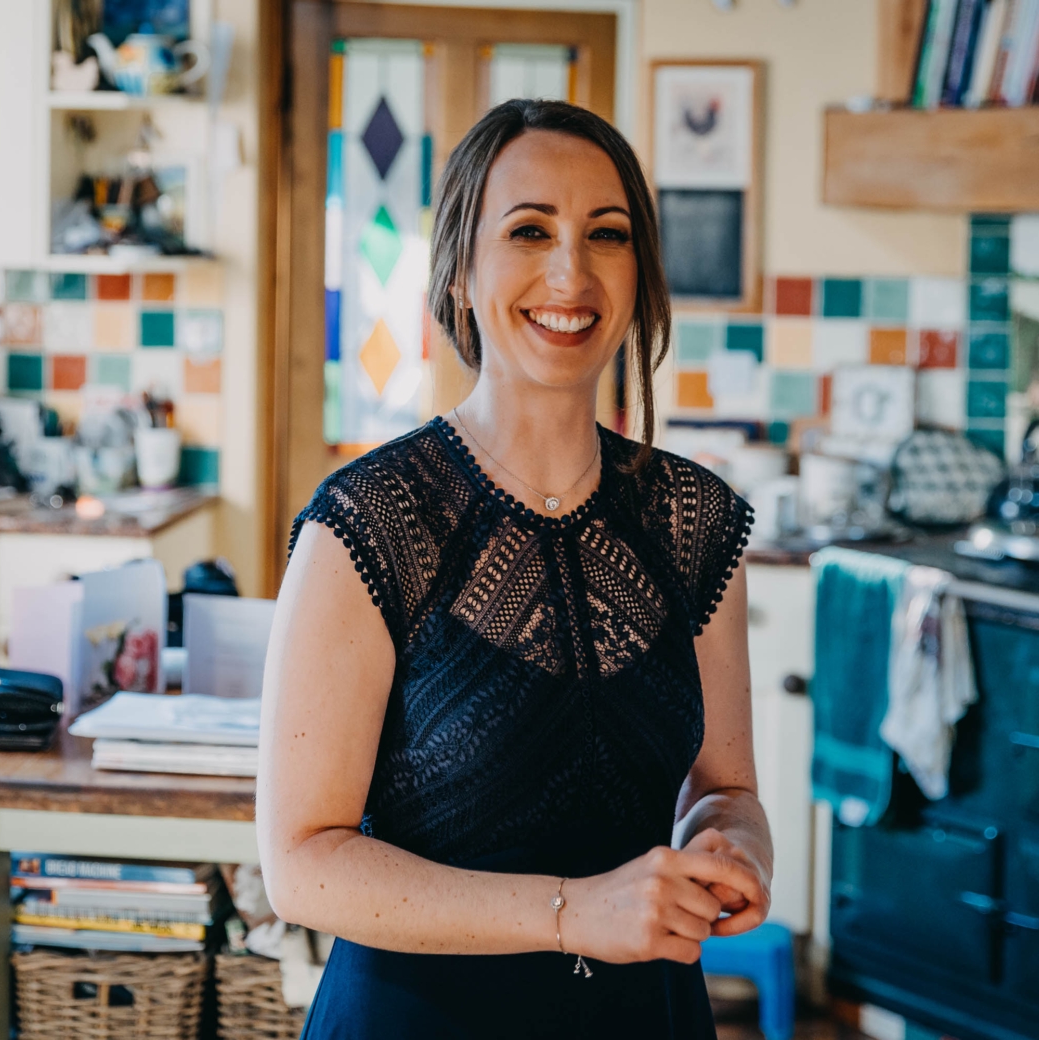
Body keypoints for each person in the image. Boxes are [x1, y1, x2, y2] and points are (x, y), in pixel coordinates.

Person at [258, 98, 773, 1040]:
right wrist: (576, 910)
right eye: (529, 230)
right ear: (458, 271)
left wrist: (732, 846)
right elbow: (301, 864)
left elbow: (723, 786)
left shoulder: (695, 523)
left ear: (640, 276)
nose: (570, 272)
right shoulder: (368, 522)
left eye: (606, 236)